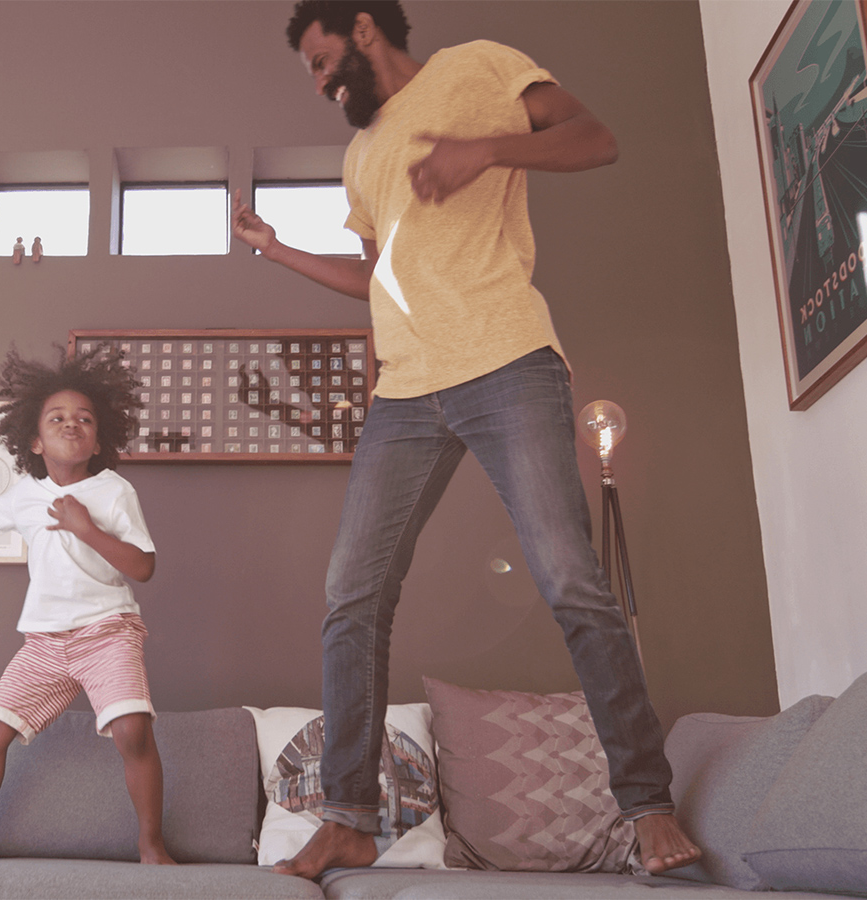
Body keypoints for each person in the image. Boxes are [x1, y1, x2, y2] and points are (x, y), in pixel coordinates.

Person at [229, 0, 702, 879]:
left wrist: (485, 149)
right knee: (351, 595)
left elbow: (595, 138)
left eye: (321, 60)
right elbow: (377, 276)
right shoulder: (361, 154)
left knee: (569, 580)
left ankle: (646, 806)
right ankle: (348, 818)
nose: (319, 81)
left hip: (506, 359)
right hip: (405, 390)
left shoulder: (477, 68)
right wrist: (275, 249)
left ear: (362, 29)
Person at [0, 346, 176, 866]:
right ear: (34, 441)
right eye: (56, 418)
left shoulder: (114, 491)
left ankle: (151, 845)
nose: (71, 424)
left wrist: (86, 528)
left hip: (107, 632)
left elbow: (143, 567)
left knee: (132, 731)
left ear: (98, 439)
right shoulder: (25, 494)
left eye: (85, 419)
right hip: (45, 641)